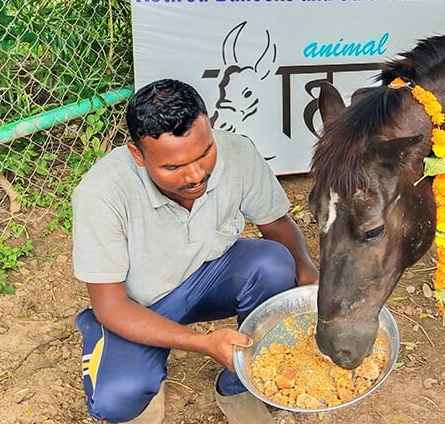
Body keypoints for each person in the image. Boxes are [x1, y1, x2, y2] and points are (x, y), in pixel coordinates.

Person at [71, 78, 319, 423]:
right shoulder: (102, 194)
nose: (196, 174)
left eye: (204, 153)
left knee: (277, 264)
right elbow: (111, 304)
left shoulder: (237, 153)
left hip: (208, 278)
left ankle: (239, 386)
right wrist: (203, 343)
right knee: (117, 399)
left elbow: (278, 227)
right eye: (172, 167)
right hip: (139, 306)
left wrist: (310, 282)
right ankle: (114, 348)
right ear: (137, 155)